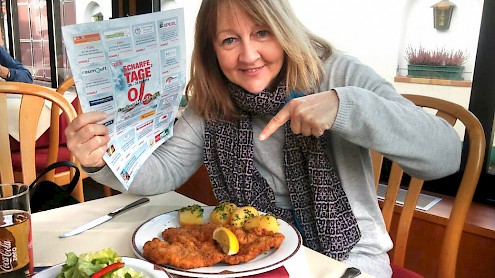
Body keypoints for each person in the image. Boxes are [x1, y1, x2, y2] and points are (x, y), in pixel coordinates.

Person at [65, 0, 461, 276]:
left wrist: (345, 107)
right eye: (229, 40)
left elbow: (444, 155)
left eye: (262, 32)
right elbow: (165, 170)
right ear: (212, 50)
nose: (249, 55)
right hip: (248, 256)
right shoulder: (214, 98)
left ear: (285, 30)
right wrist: (101, 159)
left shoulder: (337, 74)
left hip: (348, 260)